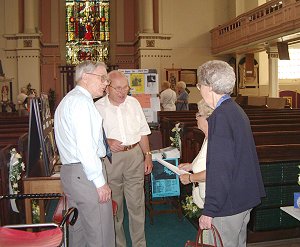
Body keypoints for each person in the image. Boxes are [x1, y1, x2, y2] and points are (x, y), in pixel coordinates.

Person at [196, 60, 265, 247]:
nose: (199, 89)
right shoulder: (235, 110)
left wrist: (210, 209)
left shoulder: (220, 116)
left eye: (199, 85)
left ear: (208, 87)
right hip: (244, 197)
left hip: (229, 204)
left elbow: (220, 168)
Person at [54, 61, 115, 247]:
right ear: (86, 77)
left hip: (73, 173)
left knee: (78, 231)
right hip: (86, 174)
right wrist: (99, 182)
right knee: (100, 234)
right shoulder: (81, 103)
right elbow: (85, 147)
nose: (106, 83)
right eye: (102, 78)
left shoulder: (70, 100)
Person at [95, 70, 153, 247]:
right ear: (107, 88)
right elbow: (90, 137)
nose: (122, 92)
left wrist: (148, 156)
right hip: (111, 160)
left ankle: (139, 244)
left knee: (137, 204)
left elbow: (143, 131)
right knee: (115, 206)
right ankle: (118, 244)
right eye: (118, 88)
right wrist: (106, 141)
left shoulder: (134, 103)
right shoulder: (97, 107)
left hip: (135, 155)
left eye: (125, 88)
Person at [178, 99, 213, 208]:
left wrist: (190, 178)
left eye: (199, 114)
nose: (196, 117)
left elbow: (214, 172)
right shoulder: (208, 137)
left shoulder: (216, 139)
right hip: (209, 198)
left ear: (208, 118)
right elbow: (205, 161)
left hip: (216, 199)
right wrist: (191, 166)